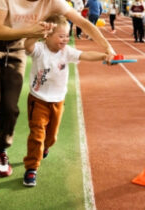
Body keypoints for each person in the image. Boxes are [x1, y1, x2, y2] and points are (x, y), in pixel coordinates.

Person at [0, 0, 115, 202]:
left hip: (15, 48)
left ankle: (1, 149)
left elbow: (83, 22)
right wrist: (31, 30)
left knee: (10, 107)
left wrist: (107, 48)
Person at [22, 15, 106, 187]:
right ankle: (31, 168)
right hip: (38, 100)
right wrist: (38, 32)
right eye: (61, 36)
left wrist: (105, 56)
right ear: (48, 35)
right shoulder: (39, 49)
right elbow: (27, 45)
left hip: (58, 101)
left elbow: (86, 55)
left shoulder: (66, 52)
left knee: (51, 137)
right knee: (37, 134)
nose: (65, 39)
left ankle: (45, 148)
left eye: (67, 36)